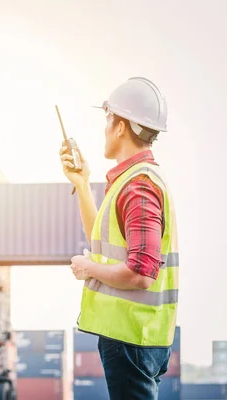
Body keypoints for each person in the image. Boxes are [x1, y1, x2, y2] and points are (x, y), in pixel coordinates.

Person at [59, 77, 179, 400]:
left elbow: (140, 273)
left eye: (107, 120)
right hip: (135, 337)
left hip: (132, 340)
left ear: (122, 126)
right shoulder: (130, 181)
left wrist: (88, 268)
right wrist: (82, 184)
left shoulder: (139, 186)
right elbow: (103, 245)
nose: (104, 129)